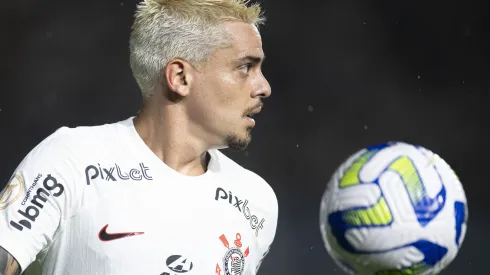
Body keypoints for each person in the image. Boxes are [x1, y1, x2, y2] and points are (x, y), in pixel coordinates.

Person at [0, 0, 277, 274]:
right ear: (180, 78)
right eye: (245, 68)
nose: (264, 87)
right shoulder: (70, 161)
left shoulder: (256, 201)